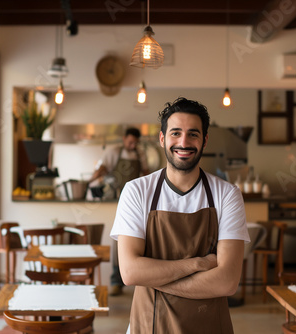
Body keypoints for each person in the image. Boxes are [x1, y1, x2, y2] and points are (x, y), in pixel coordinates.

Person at [110, 97, 250, 333]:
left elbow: (227, 282)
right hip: (149, 325)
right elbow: (131, 272)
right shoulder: (137, 191)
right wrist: (199, 263)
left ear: (205, 140)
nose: (184, 142)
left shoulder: (227, 195)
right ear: (162, 138)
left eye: (193, 134)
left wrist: (154, 279)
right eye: (175, 133)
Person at [90, 127, 149, 296]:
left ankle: (140, 279)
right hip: (117, 198)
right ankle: (117, 281)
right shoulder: (114, 152)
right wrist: (90, 181)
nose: (133, 144)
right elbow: (102, 169)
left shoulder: (140, 154)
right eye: (130, 141)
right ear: (124, 139)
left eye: (135, 142)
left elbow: (145, 173)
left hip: (137, 200)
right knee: (119, 239)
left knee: (137, 238)